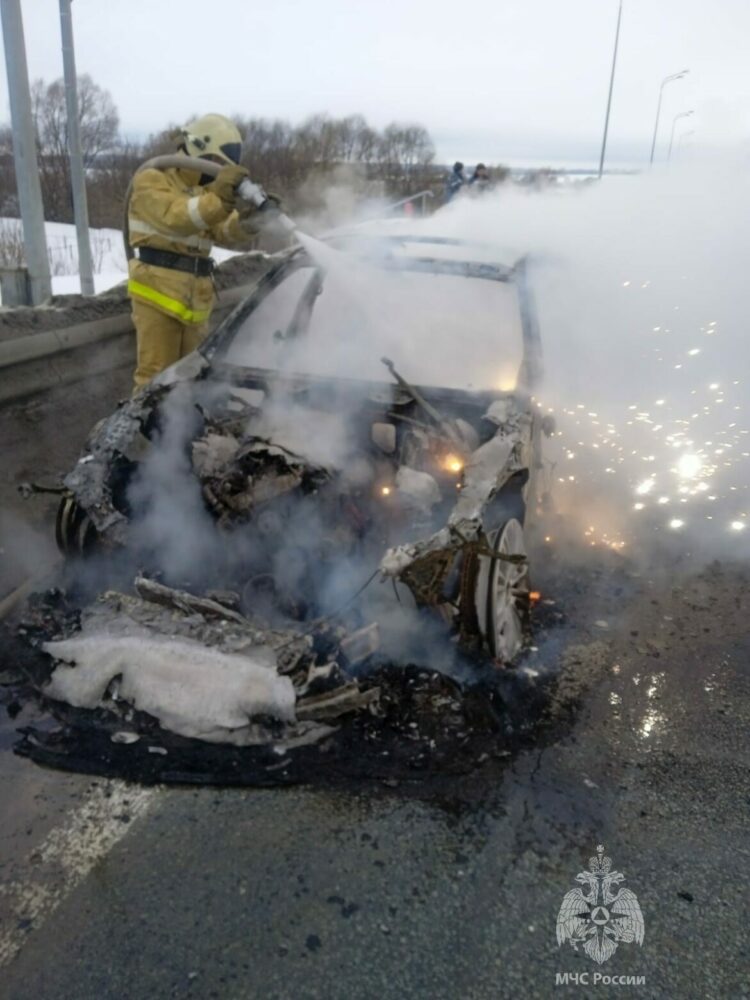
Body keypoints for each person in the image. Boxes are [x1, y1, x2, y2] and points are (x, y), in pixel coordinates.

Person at [126, 113, 261, 391]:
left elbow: (222, 228)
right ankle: (141, 421)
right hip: (158, 293)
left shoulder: (204, 192)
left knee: (191, 378)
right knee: (155, 379)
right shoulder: (151, 179)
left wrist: (249, 222)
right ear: (199, 147)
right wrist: (219, 199)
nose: (216, 169)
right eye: (214, 160)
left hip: (195, 299)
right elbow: (175, 216)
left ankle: (183, 419)